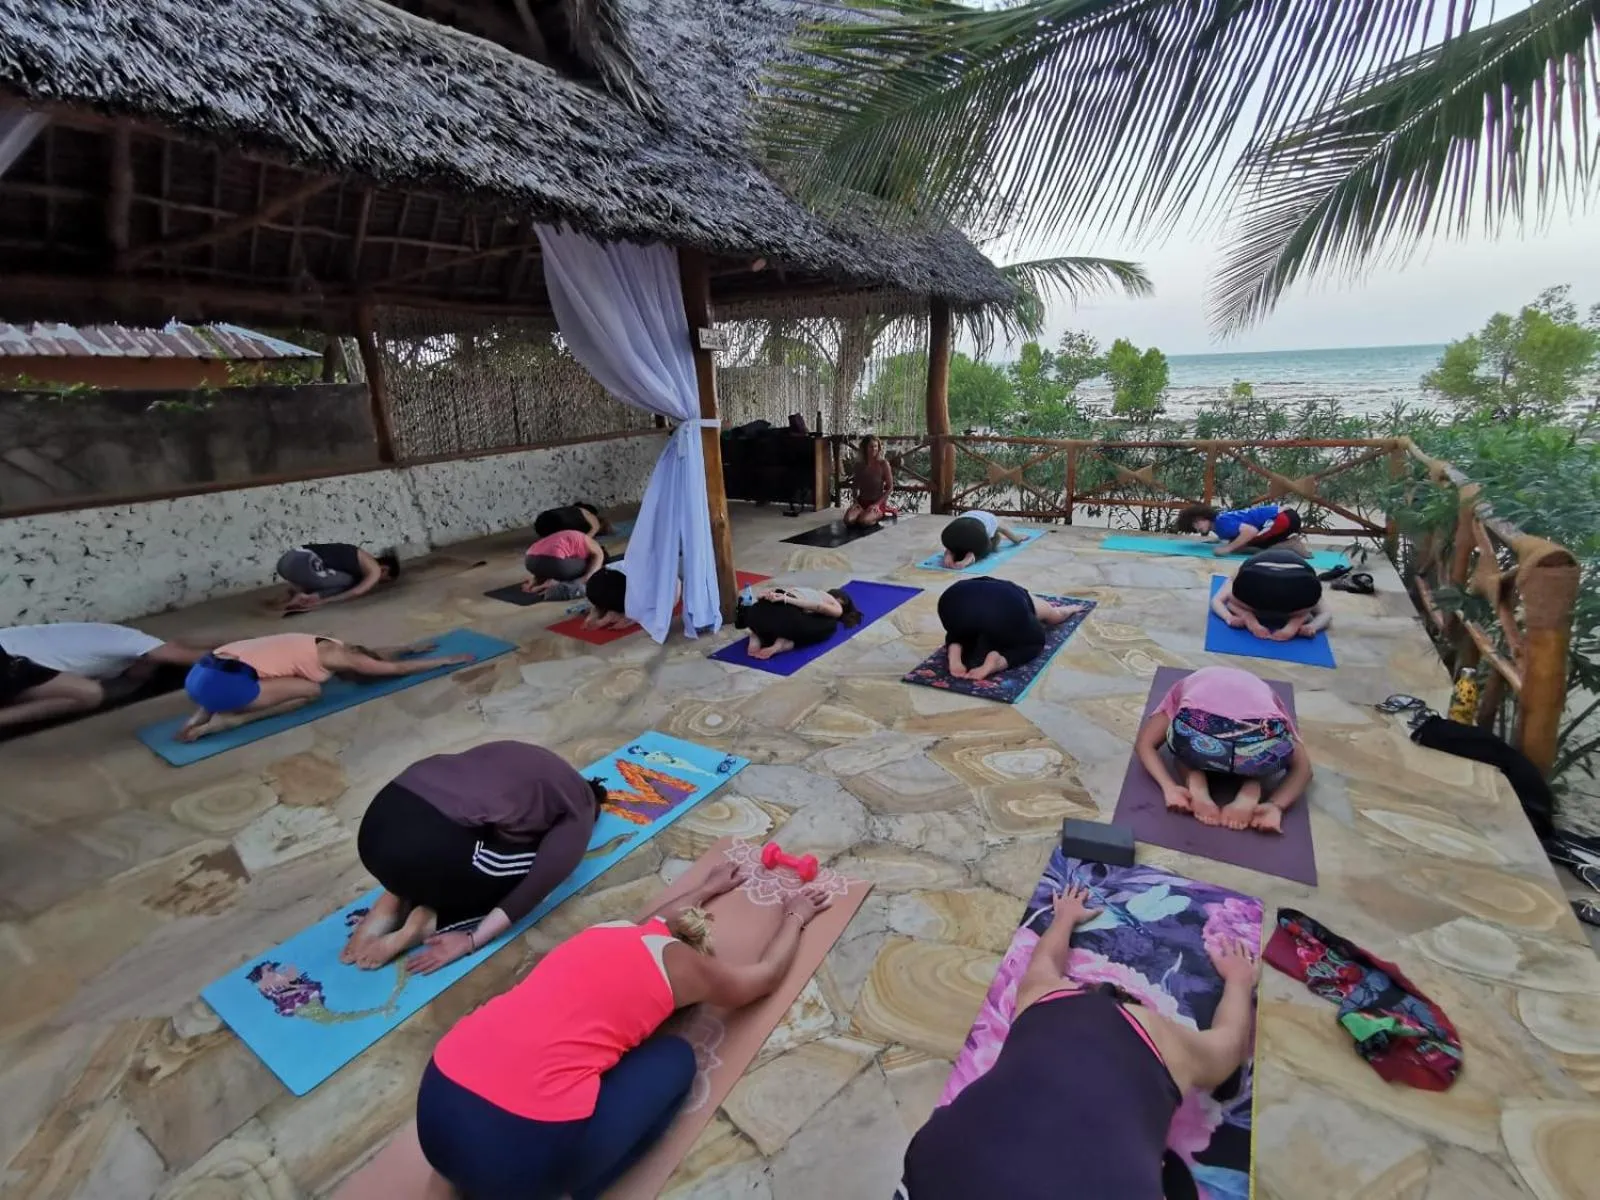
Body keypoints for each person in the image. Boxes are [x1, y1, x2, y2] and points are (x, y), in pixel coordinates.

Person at [414, 861, 834, 1200]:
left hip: (435, 1111)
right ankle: (568, 1190)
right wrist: (795, 916)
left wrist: (706, 886)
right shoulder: (684, 967)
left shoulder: (607, 931)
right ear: (696, 951)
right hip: (525, 1160)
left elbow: (657, 919)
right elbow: (760, 979)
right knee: (676, 1058)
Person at [899, 885, 1259, 1200]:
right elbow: (1229, 1045)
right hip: (942, 1166)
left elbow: (1045, 958)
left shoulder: (1046, 996)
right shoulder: (1167, 1041)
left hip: (937, 1164)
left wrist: (1066, 916)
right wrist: (1239, 981)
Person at [344, 742, 606, 973]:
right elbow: (537, 885)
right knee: (530, 870)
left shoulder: (523, 753)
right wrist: (470, 940)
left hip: (379, 821)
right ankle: (431, 922)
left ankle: (393, 897)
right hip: (427, 846)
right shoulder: (580, 808)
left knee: (461, 838)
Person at [177, 632, 474, 742]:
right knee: (311, 691)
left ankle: (198, 716)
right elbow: (394, 669)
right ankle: (232, 719)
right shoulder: (344, 658)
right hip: (228, 687)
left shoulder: (321, 643)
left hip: (198, 676)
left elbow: (372, 653)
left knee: (249, 672)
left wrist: (408, 646)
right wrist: (447, 659)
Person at [1135, 665, 1313, 832]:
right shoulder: (1268, 695)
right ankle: (1253, 783)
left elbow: (1145, 743)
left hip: (1199, 741)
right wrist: (1276, 806)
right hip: (1256, 747)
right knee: (1259, 751)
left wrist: (1169, 787)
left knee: (1182, 750)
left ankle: (1195, 780)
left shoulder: (1185, 685)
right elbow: (1304, 769)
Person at [0, 622, 213, 729]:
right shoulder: (138, 643)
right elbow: (189, 656)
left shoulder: (107, 637)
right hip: (8, 662)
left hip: (12, 664)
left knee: (74, 688)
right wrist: (242, 660)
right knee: (88, 694)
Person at [937, 577, 1085, 682]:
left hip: (952, 598)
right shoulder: (1014, 593)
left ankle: (955, 653)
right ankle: (999, 661)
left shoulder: (975, 585)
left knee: (960, 627)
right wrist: (1069, 609)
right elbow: (1055, 617)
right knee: (1036, 639)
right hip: (1006, 604)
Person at [1212, 549, 1331, 642]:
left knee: (1231, 603)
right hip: (1298, 584)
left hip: (1256, 580)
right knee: (1309, 610)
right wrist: (1312, 626)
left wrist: (1229, 618)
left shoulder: (1240, 571)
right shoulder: (1308, 576)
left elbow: (1217, 600)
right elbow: (1326, 613)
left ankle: (1247, 615)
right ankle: (1299, 618)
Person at [736, 584, 861, 660]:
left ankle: (756, 634)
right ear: (842, 601)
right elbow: (819, 607)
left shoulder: (810, 591)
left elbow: (767, 594)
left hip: (756, 612)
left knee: (773, 620)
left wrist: (779, 596)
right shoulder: (834, 604)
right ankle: (783, 642)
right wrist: (787, 600)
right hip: (785, 612)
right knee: (830, 625)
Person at [277, 543, 401, 613]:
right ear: (384, 569)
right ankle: (308, 599)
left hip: (287, 561)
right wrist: (324, 601)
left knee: (345, 578)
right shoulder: (375, 569)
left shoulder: (359, 558)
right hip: (303, 562)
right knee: (352, 582)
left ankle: (296, 593)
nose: (377, 582)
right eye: (382, 580)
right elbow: (356, 592)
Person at [1174, 502, 1311, 558]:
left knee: (1253, 544)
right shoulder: (1220, 525)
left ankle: (1291, 544)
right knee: (1242, 544)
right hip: (1284, 517)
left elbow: (1250, 531)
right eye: (1194, 526)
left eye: (1198, 522)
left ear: (1205, 516)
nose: (1198, 527)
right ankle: (1286, 542)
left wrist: (1228, 549)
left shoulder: (1221, 523)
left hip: (1283, 519)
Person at [522, 529, 606, 600]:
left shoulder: (576, 536)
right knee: (589, 567)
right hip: (554, 561)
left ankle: (536, 585)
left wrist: (535, 580)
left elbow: (545, 553)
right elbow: (589, 575)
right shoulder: (597, 550)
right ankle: (553, 583)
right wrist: (577, 583)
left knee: (567, 559)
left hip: (529, 561)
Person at [939, 509, 1024, 568]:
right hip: (975, 531)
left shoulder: (974, 514)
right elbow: (1012, 536)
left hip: (949, 533)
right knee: (986, 548)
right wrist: (1018, 539)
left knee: (959, 542)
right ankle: (971, 557)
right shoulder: (995, 520)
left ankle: (950, 551)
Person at [844, 435, 893, 527]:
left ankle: (874, 516)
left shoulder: (883, 464)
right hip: (861, 502)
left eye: (876, 446)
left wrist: (877, 505)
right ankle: (863, 514)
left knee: (864, 521)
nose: (874, 449)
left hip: (877, 503)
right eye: (871, 446)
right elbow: (855, 486)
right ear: (864, 448)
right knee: (848, 520)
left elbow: (890, 487)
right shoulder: (859, 465)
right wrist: (855, 502)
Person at [582, 565, 635, 632]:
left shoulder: (641, 589)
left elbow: (639, 612)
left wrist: (628, 619)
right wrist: (593, 615)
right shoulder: (603, 577)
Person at [533, 502, 612, 540]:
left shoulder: (573, 511)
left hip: (545, 520)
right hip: (554, 521)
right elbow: (595, 528)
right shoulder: (586, 513)